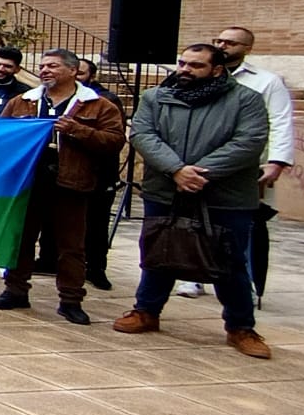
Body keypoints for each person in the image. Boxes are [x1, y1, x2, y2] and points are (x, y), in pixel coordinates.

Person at [115, 43, 273, 359]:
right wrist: (176, 170)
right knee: (159, 252)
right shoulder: (156, 97)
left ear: (217, 70)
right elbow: (143, 135)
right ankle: (146, 310)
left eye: (196, 65)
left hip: (224, 196)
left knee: (229, 261)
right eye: (182, 63)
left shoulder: (245, 100)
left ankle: (241, 327)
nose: (185, 70)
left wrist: (198, 173)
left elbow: (249, 142)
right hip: (166, 190)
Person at [0, 48, 126, 325]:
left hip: (71, 183)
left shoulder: (98, 105)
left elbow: (114, 141)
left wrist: (77, 130)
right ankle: (15, 290)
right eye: (42, 66)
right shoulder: (22, 101)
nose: (44, 70)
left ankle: (71, 300)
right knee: (21, 239)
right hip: (29, 182)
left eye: (52, 66)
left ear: (73, 71)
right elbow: (0, 136)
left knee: (71, 245)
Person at [206, 26, 293, 303]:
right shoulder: (202, 74)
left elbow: (280, 121)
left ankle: (249, 285)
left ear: (247, 49)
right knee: (196, 219)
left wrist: (277, 161)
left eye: (230, 42)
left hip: (248, 164)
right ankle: (193, 277)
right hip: (202, 160)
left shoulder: (267, 82)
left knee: (248, 224)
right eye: (219, 40)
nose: (222, 46)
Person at [73, 57, 124, 291]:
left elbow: (113, 139)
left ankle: (96, 268)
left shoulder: (106, 102)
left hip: (99, 174)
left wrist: (77, 130)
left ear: (91, 77)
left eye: (80, 73)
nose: (76, 77)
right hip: (66, 173)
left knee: (96, 224)